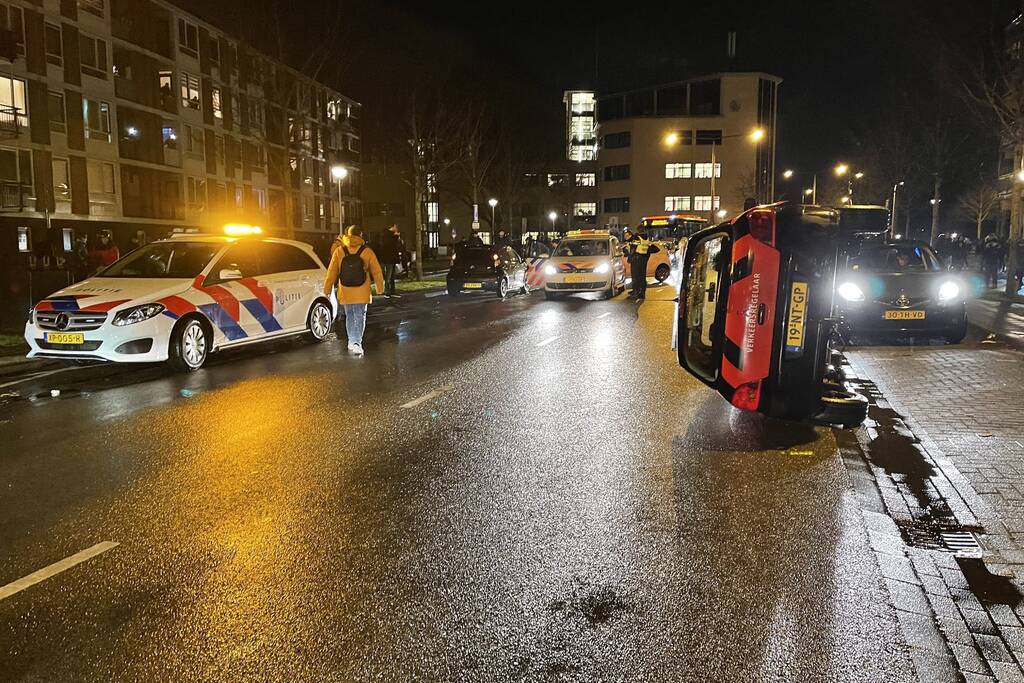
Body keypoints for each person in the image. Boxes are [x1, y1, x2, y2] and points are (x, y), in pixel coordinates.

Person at [323, 225, 385, 357]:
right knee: (360, 315)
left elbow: (332, 272)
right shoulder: (367, 251)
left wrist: (327, 289)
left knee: (350, 315)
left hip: (345, 290)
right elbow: (377, 271)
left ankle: (352, 341)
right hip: (362, 290)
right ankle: (357, 342)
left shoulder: (339, 251)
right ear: (360, 235)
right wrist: (380, 288)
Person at [628, 231, 659, 300]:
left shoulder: (637, 237)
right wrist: (646, 258)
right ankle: (642, 293)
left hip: (636, 259)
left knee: (636, 277)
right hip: (643, 260)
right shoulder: (647, 238)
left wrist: (630, 258)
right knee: (642, 277)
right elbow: (648, 250)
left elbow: (633, 248)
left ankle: (635, 293)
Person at [377, 224, 404, 297]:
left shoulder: (385, 235)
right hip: (389, 259)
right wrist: (396, 237)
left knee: (390, 275)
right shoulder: (389, 236)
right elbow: (392, 246)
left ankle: (391, 291)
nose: (396, 228)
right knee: (389, 276)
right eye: (395, 227)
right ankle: (387, 291)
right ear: (392, 227)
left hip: (387, 258)